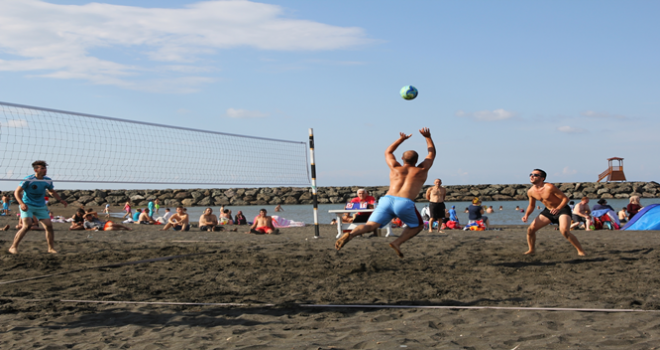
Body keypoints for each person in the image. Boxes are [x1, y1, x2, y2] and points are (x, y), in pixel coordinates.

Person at [335, 128, 435, 258]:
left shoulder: (395, 167)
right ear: (417, 161)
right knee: (418, 226)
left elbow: (388, 151)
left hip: (387, 200)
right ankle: (397, 242)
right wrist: (428, 137)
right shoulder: (421, 169)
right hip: (404, 202)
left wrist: (401, 139)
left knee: (370, 225)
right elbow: (431, 155)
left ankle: (351, 234)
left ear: (401, 159)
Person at [8, 161, 68, 254]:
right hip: (28, 205)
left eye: (45, 168)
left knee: (49, 226)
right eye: (42, 168)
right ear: (36, 170)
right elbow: (17, 192)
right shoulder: (28, 179)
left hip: (40, 206)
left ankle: (50, 248)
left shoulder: (47, 180)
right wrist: (21, 203)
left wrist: (60, 200)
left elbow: (51, 191)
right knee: (27, 226)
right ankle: (13, 247)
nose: (45, 170)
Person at [522, 169, 586, 256]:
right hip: (548, 211)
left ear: (542, 178)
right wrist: (526, 215)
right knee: (530, 229)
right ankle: (531, 250)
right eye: (531, 174)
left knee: (564, 231)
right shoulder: (531, 191)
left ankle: (580, 251)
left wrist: (558, 208)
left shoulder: (549, 187)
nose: (532, 176)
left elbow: (565, 199)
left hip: (562, 209)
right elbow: (532, 205)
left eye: (535, 175)